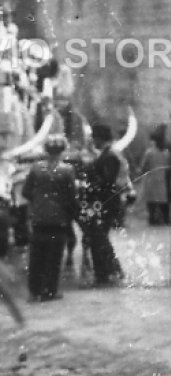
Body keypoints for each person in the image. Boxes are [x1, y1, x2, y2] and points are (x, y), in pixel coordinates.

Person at [22, 134, 77, 302]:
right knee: (54, 256)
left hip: (39, 218)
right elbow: (71, 196)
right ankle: (49, 291)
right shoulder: (67, 170)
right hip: (58, 219)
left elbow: (25, 191)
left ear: (46, 150)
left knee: (36, 255)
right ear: (62, 151)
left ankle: (33, 291)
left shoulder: (35, 168)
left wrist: (38, 202)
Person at [76, 122, 124, 287]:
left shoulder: (109, 156)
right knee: (100, 237)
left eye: (94, 138)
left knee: (99, 238)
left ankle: (106, 273)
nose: (92, 142)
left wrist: (89, 186)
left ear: (99, 139)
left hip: (104, 203)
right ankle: (109, 271)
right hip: (103, 202)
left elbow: (107, 180)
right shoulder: (106, 154)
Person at [138, 129, 171, 226]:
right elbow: (168, 167)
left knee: (151, 200)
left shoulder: (149, 152)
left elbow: (144, 166)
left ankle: (152, 218)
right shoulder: (166, 153)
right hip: (162, 179)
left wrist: (140, 171)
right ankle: (165, 218)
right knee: (163, 199)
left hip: (151, 179)